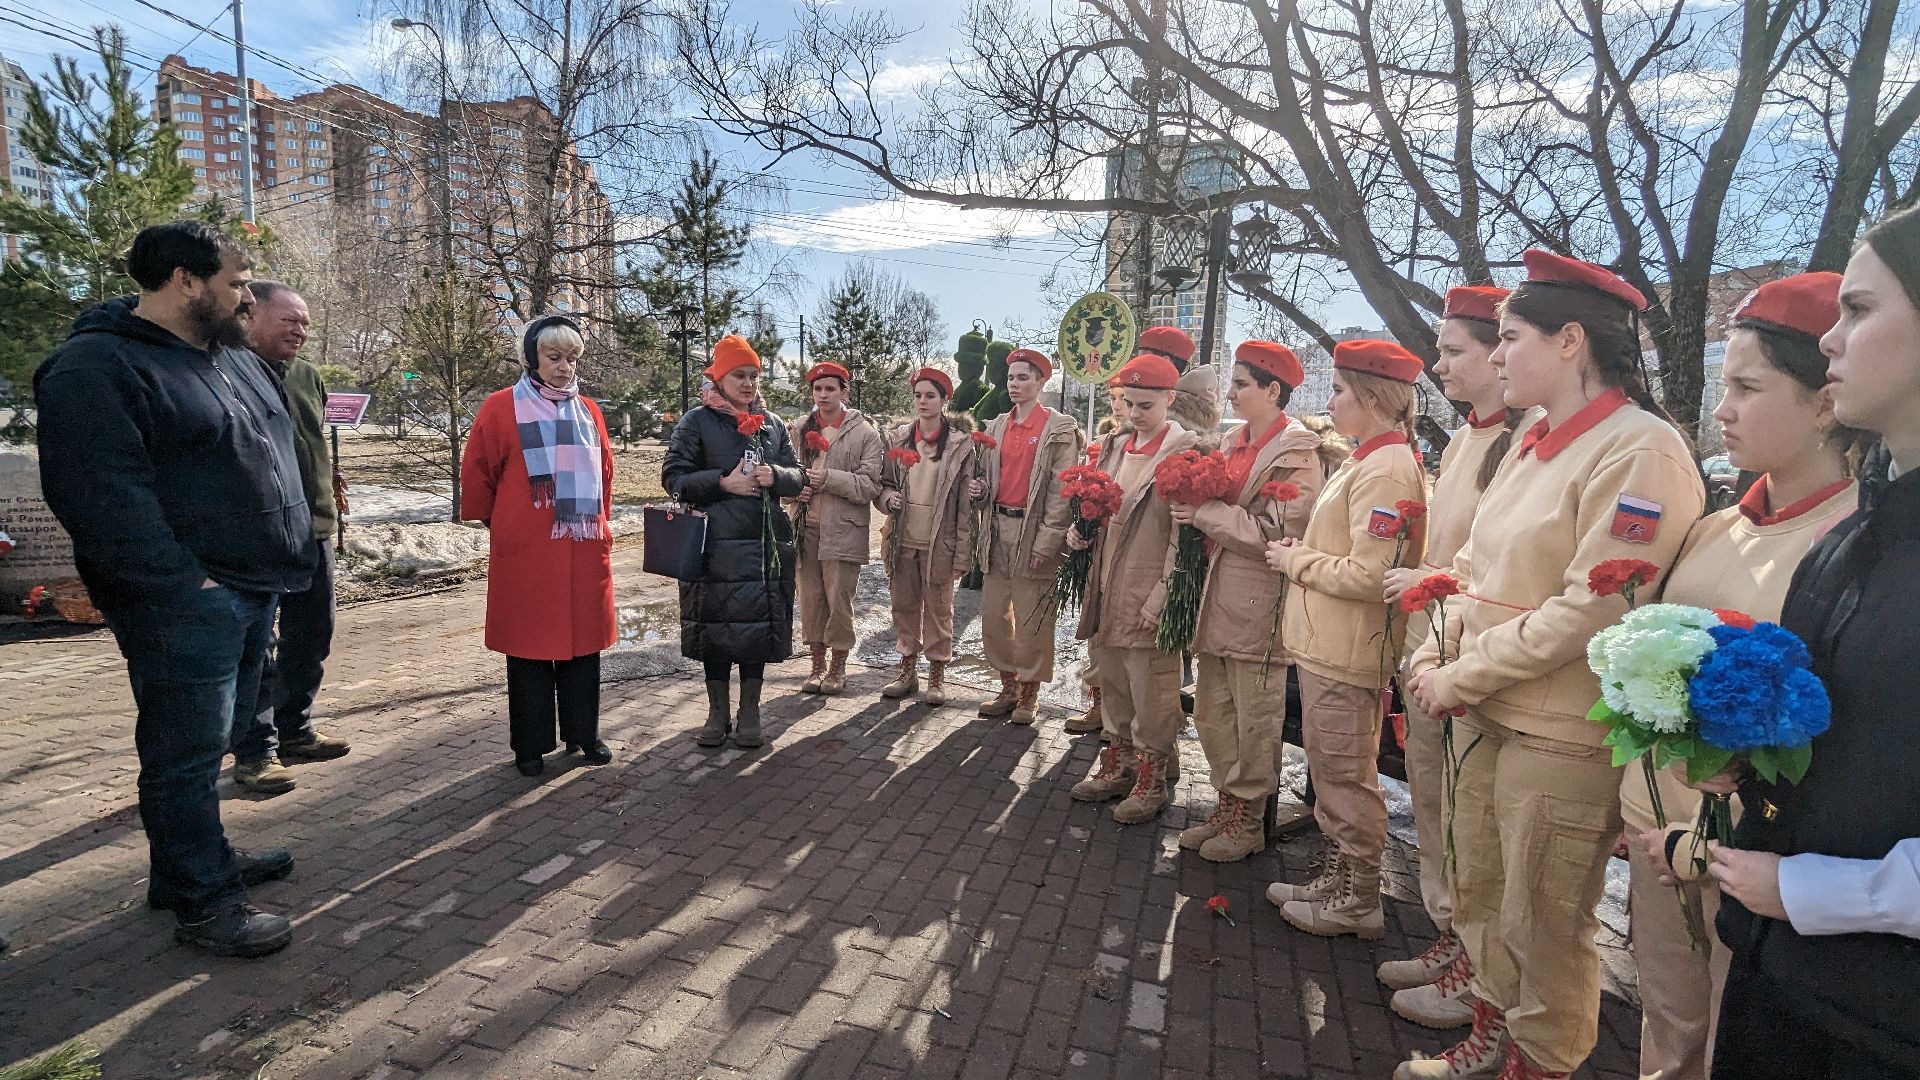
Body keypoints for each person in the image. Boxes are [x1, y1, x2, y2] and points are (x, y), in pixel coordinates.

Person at [1399, 251, 1705, 1080]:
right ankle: (1493, 1037)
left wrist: (1460, 672)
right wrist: (1438, 643)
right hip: (1489, 709)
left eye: (1509, 337)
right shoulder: (1533, 437)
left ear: (1572, 340)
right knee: (1486, 893)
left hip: (1557, 729)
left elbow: (1592, 606)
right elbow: (1472, 566)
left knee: (1544, 919)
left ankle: (1539, 1062)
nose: (1495, 358)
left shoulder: (1641, 450)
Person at [37, 220, 309, 957]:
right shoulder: (96, 368)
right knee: (183, 755)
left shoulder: (232, 356)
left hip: (255, 588)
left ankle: (186, 862)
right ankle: (205, 901)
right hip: (185, 604)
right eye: (237, 280)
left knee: (216, 742)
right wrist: (191, 585)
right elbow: (100, 501)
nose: (246, 294)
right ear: (185, 280)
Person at [1697, 207, 1920, 1080]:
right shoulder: (1860, 530)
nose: (1830, 341)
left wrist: (1812, 892)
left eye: (1859, 311)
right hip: (1781, 978)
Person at [1618, 273, 1858, 1080]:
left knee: (1733, 1038)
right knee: (1667, 1017)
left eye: (1748, 387)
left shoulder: (1857, 544)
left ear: (1825, 403)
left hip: (1751, 856)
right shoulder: (1715, 526)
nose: (1722, 409)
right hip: (1657, 825)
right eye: (1724, 386)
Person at [1374, 285, 1527, 1030]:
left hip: (1478, 667)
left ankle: (1478, 962)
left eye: (1455, 350)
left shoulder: (1520, 444)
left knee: (1476, 829)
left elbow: (1501, 568)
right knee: (1436, 810)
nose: (1441, 364)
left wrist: (1436, 583)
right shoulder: (1468, 437)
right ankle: (1452, 939)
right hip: (1432, 652)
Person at [1263, 339, 1428, 939]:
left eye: (1338, 391)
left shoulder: (1385, 467)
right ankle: (1340, 878)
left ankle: (1358, 897)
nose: (1329, 402)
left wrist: (1295, 560)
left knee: (1344, 775)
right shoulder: (1371, 459)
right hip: (1329, 644)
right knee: (1332, 772)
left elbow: (1368, 574)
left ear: (1372, 396)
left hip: (1346, 647)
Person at [1169, 340, 1324, 862]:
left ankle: (1248, 818)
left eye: (1240, 385)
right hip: (1217, 598)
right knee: (1214, 712)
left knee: (1254, 716)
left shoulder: (1297, 455)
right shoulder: (1236, 443)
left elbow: (1279, 535)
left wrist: (1204, 512)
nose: (1229, 393)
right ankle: (1226, 805)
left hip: (1259, 604)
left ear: (1272, 390)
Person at [460, 316, 617, 777]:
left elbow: (605, 474)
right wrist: (505, 522)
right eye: (554, 357)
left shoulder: (589, 410)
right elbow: (480, 471)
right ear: (532, 358)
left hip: (583, 549)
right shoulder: (500, 406)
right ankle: (529, 746)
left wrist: (600, 522)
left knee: (582, 648)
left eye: (571, 358)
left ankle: (583, 734)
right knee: (528, 651)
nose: (564, 367)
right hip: (527, 552)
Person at [1069, 352, 1199, 821]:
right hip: (1108, 585)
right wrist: (1081, 529)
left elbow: (1184, 540)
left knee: (1154, 693)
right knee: (1116, 682)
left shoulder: (1185, 455)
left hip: (1147, 590)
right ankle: (1119, 764)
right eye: (1128, 402)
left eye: (1146, 405)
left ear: (1170, 399)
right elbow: (1101, 507)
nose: (1135, 413)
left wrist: (1163, 595)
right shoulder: (1116, 447)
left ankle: (1152, 779)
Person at [662, 335, 804, 749]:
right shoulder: (696, 421)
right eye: (738, 375)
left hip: (763, 546)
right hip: (714, 546)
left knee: (757, 629)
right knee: (718, 630)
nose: (747, 384)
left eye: (753, 376)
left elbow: (797, 473)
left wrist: (775, 476)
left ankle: (750, 712)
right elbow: (674, 477)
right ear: (718, 378)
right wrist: (722, 482)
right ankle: (717, 712)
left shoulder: (773, 424)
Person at [239, 280, 352, 778]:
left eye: (305, 322)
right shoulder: (228, 371)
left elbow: (310, 440)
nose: (300, 330)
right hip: (257, 534)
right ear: (252, 317)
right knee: (258, 646)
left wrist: (331, 480)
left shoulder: (307, 375)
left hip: (314, 528)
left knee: (312, 634)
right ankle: (255, 750)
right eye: (290, 320)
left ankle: (296, 730)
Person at [971, 347, 1084, 725]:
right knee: (994, 615)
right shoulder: (998, 425)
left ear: (1041, 381)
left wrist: (1048, 541)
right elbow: (990, 480)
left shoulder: (1058, 428)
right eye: (1011, 378)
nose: (1015, 384)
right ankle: (1008, 684)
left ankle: (1030, 692)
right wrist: (980, 491)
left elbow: (1061, 490)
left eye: (1024, 377)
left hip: (1033, 530)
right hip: (997, 527)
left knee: (1033, 616)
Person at [877, 368, 977, 704]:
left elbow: (965, 505)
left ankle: (937, 673)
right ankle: (907, 668)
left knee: (938, 609)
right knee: (903, 606)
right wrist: (887, 498)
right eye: (918, 395)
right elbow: (885, 483)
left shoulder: (960, 446)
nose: (923, 402)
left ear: (944, 400)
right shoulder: (898, 439)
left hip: (940, 543)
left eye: (930, 396)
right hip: (902, 539)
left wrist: (963, 550)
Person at [788, 361, 883, 696]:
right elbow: (785, 475)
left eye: (831, 388)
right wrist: (793, 488)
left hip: (843, 529)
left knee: (839, 599)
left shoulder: (865, 433)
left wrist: (828, 479)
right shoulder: (799, 429)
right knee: (811, 600)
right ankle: (816, 665)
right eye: (818, 389)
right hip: (804, 529)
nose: (823, 395)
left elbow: (870, 485)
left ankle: (838, 666)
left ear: (845, 391)